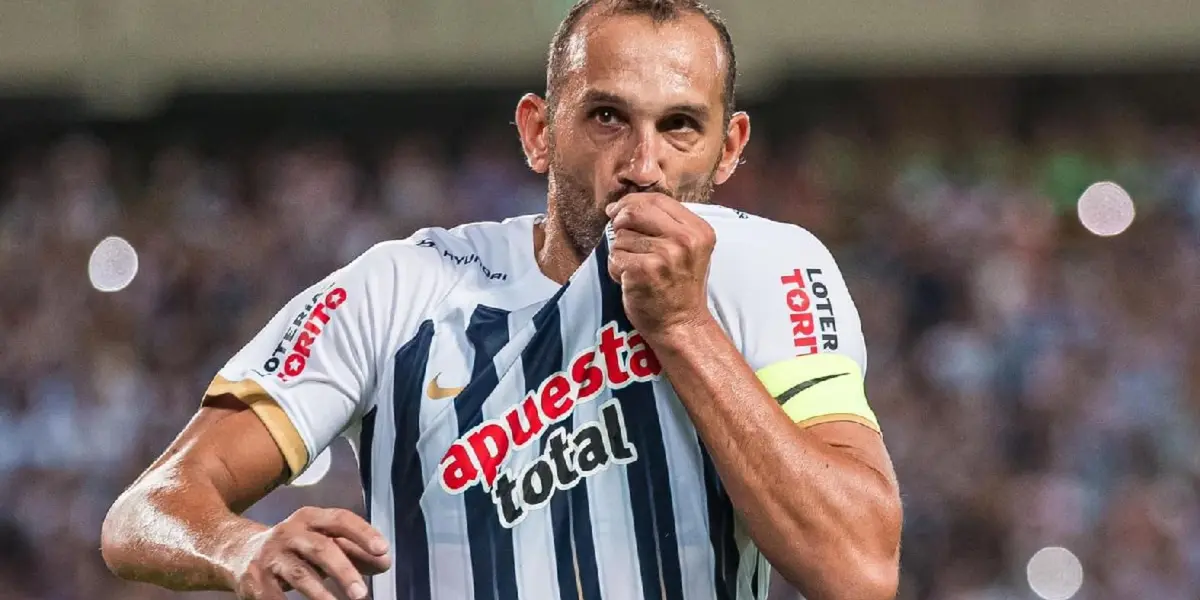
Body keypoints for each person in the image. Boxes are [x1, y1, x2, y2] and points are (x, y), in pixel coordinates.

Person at [100, 1, 903, 599]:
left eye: (681, 126)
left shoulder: (769, 265)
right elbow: (146, 509)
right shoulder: (400, 290)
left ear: (730, 150)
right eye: (607, 118)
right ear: (538, 132)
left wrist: (685, 326)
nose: (644, 165)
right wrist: (241, 549)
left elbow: (859, 566)